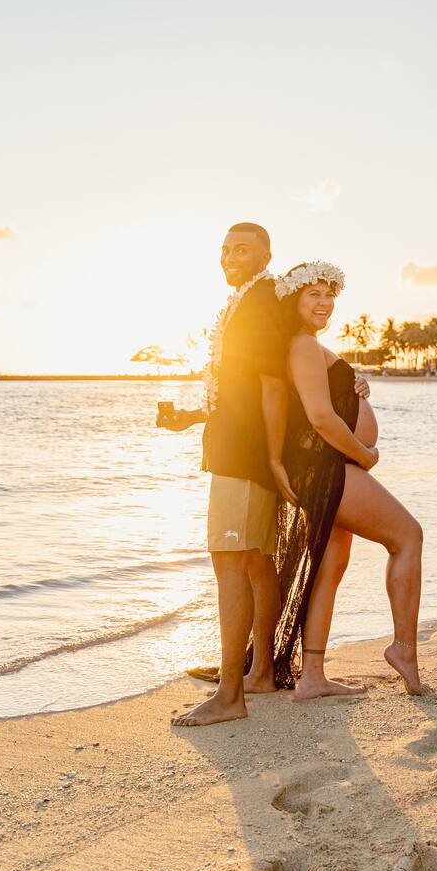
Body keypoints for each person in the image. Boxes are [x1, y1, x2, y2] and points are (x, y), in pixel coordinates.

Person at [270, 262, 431, 698]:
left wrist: (353, 387)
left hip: (328, 466)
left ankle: (313, 677)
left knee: (330, 567)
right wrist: (364, 453)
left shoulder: (306, 345)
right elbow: (320, 417)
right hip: (329, 467)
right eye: (313, 295)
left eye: (329, 295)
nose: (323, 303)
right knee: (407, 537)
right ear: (293, 300)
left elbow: (322, 406)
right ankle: (403, 649)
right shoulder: (302, 345)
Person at [157, 222, 286, 726]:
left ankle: (231, 694)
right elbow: (241, 395)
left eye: (244, 249)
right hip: (239, 449)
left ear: (266, 255)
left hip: (246, 458)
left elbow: (274, 387)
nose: (231, 256)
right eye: (226, 249)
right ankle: (260, 673)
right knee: (254, 563)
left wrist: (273, 459)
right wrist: (192, 416)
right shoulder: (246, 301)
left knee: (230, 561)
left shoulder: (260, 302)